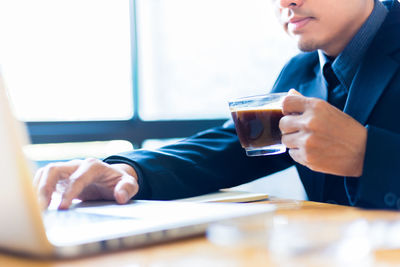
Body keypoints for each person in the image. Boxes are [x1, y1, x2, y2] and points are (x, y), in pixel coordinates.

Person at [34, 0, 400, 210]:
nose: (285, 2)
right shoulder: (301, 72)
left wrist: (370, 156)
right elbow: (231, 148)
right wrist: (127, 171)